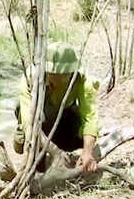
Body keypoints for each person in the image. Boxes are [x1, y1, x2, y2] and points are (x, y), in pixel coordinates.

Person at [13, 42, 100, 173]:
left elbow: (89, 117)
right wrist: (55, 151)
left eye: (64, 77)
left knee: (79, 129)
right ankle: (38, 162)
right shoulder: (31, 78)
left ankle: (58, 143)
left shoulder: (82, 80)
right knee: (27, 140)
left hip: (62, 117)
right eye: (53, 79)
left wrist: (87, 152)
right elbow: (29, 123)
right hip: (39, 121)